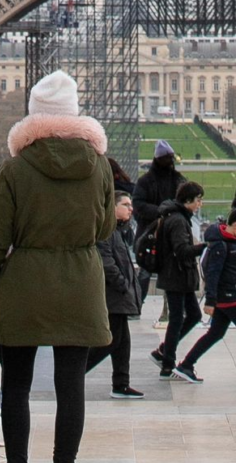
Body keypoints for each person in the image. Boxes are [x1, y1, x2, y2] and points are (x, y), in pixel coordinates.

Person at [0, 70, 116, 463]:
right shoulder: (100, 166)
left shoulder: (16, 169)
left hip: (24, 287)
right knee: (71, 387)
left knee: (16, 386)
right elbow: (105, 228)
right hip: (80, 283)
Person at [85, 191, 144, 399]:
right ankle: (76, 374)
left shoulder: (118, 230)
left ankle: (121, 383)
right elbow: (106, 262)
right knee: (111, 340)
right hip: (112, 296)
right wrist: (122, 284)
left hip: (119, 294)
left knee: (122, 341)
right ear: (113, 207)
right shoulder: (106, 230)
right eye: (126, 204)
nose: (130, 209)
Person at [149, 182, 206, 380]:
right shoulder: (178, 220)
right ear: (188, 200)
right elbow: (181, 251)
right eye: (198, 200)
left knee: (192, 315)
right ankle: (167, 363)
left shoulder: (177, 217)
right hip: (177, 277)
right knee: (177, 319)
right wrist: (205, 247)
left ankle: (164, 352)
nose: (200, 204)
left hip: (180, 277)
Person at [174, 209, 236, 383]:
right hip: (228, 298)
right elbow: (213, 274)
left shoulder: (229, 242)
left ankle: (186, 365)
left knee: (215, 334)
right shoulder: (220, 245)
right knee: (214, 333)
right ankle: (186, 365)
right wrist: (210, 300)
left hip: (226, 298)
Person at [132, 141, 185, 302]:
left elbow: (184, 202)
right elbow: (138, 204)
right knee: (145, 271)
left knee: (172, 272)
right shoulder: (146, 181)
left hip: (171, 232)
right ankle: (137, 303)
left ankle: (172, 307)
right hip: (150, 233)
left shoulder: (178, 180)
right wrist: (160, 211)